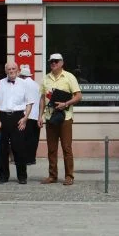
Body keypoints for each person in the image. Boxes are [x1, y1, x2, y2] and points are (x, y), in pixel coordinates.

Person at [39, 53, 82, 185]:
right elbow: (42, 98)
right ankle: (52, 176)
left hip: (65, 118)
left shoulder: (69, 77)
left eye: (56, 61)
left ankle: (69, 176)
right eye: (51, 61)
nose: (53, 63)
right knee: (51, 149)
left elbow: (78, 96)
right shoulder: (46, 78)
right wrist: (40, 116)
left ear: (62, 63)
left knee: (66, 148)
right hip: (50, 117)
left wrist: (66, 103)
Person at [0, 61, 32, 185]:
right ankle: (3, 176)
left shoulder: (24, 84)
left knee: (19, 148)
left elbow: (29, 103)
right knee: (2, 149)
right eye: (9, 69)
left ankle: (22, 176)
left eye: (14, 68)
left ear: (18, 70)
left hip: (18, 117)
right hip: (3, 117)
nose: (11, 71)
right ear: (6, 71)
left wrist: (25, 118)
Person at [18, 65, 40, 165]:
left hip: (25, 114)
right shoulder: (37, 85)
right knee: (34, 139)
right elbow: (41, 101)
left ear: (22, 76)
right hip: (36, 115)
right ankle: (32, 158)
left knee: (24, 139)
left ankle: (25, 159)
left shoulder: (21, 84)